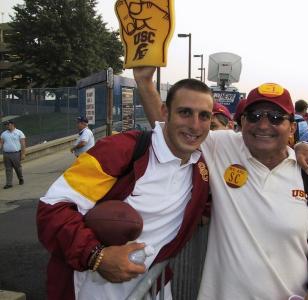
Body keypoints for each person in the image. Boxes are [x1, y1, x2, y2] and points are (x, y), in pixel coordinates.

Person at [134, 67, 308, 300]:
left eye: (276, 118)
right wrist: (145, 83)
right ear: (242, 122)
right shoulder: (222, 147)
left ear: (292, 127)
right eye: (254, 116)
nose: (263, 125)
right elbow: (175, 130)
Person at [37, 79, 214, 300]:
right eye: (185, 112)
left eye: (204, 116)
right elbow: (52, 208)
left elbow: (207, 207)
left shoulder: (202, 169)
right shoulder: (121, 149)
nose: (195, 125)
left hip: (152, 288)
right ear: (165, 112)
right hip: (88, 290)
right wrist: (96, 256)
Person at [0, 120, 26, 189]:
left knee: (17, 168)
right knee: (8, 169)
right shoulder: (4, 134)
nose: (7, 126)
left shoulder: (19, 132)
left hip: (16, 154)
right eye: (6, 125)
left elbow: (23, 144)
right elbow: (1, 143)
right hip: (6, 154)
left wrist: (23, 154)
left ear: (12, 124)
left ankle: (20, 178)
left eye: (8, 124)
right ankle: (9, 183)